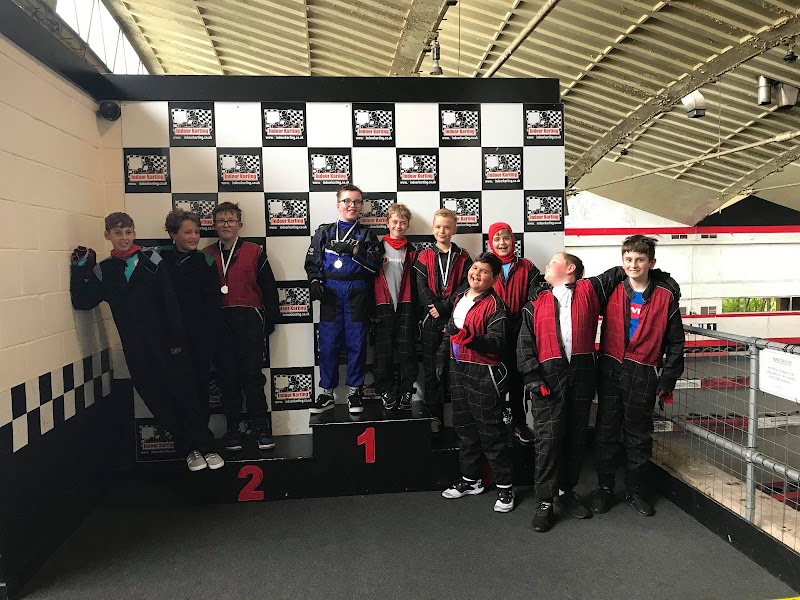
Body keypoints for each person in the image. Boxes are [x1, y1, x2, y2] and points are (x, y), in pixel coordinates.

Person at [70, 212, 219, 472]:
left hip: (169, 342)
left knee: (186, 393)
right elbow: (83, 301)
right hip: (136, 347)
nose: (124, 238)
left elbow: (170, 299)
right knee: (157, 397)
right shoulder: (104, 269)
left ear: (134, 233)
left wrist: (176, 337)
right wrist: (80, 268)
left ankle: (206, 446)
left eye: (128, 232)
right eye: (118, 233)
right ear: (107, 235)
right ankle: (188, 449)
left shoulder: (152, 259)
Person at [516, 252, 628, 532]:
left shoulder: (590, 289)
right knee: (548, 440)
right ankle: (545, 501)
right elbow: (524, 344)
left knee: (576, 437)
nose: (546, 266)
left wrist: (660, 277)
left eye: (553, 262)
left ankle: (566, 491)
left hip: (582, 373)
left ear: (570, 268)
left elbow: (623, 269)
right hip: (548, 377)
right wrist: (532, 377)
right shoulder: (534, 303)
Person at [590, 235, 684, 517]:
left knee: (639, 437)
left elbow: (676, 343)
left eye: (640, 260)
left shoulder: (666, 296)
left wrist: (667, 379)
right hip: (610, 368)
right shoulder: (612, 289)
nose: (633, 265)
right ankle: (605, 489)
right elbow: (581, 298)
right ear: (622, 261)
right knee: (606, 433)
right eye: (628, 259)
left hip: (644, 372)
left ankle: (636, 491)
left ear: (651, 263)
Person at [438, 252, 514, 513]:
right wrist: (442, 357)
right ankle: (472, 480)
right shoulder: (460, 297)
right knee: (464, 428)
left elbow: (497, 343)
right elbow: (450, 332)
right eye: (474, 268)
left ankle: (505, 487)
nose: (476, 274)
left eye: (484, 271)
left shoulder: (495, 306)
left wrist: (467, 337)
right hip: (458, 369)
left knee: (491, 432)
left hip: (484, 372)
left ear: (494, 278)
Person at [203, 202, 280, 452]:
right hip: (219, 322)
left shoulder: (254, 251)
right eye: (221, 220)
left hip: (249, 320)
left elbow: (269, 288)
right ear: (214, 225)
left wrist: (269, 322)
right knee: (227, 378)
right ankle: (233, 429)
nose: (226, 224)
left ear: (240, 225)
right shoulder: (206, 254)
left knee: (252, 377)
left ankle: (262, 428)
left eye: (231, 220)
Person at [305, 184, 382, 415]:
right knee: (328, 343)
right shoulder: (325, 231)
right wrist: (315, 281)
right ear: (338, 204)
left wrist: (356, 253)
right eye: (347, 201)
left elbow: (375, 265)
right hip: (331, 291)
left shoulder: (367, 234)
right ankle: (327, 392)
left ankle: (355, 391)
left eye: (357, 202)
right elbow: (312, 262)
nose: (352, 205)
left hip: (357, 291)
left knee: (357, 343)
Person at [157, 210, 223, 469]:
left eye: (197, 231)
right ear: (173, 234)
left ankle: (204, 446)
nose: (194, 236)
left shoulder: (205, 260)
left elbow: (213, 302)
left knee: (200, 391)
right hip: (172, 341)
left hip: (200, 339)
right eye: (188, 232)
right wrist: (170, 338)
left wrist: (209, 336)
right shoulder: (160, 260)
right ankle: (189, 448)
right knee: (179, 393)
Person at [414, 208, 472, 433]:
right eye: (438, 227)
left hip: (454, 319)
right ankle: (434, 419)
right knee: (431, 372)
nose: (442, 231)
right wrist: (434, 307)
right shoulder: (424, 255)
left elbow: (466, 285)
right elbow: (420, 286)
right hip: (430, 320)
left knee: (455, 370)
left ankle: (460, 421)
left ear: (454, 229)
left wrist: (445, 306)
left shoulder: (463, 256)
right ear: (432, 229)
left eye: (447, 227)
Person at [487, 221, 543, 445]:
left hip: (520, 332)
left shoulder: (527, 266)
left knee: (518, 380)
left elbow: (534, 295)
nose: (502, 243)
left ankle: (519, 424)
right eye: (497, 239)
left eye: (506, 238)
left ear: (513, 240)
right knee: (496, 379)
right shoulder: (484, 265)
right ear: (490, 243)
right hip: (494, 333)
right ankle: (497, 424)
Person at [373, 203, 418, 411]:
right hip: (382, 304)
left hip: (406, 304)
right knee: (384, 351)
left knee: (407, 350)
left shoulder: (412, 251)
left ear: (408, 225)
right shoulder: (376, 247)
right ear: (387, 223)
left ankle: (406, 390)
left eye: (403, 222)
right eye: (394, 222)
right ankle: (385, 390)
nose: (398, 226)